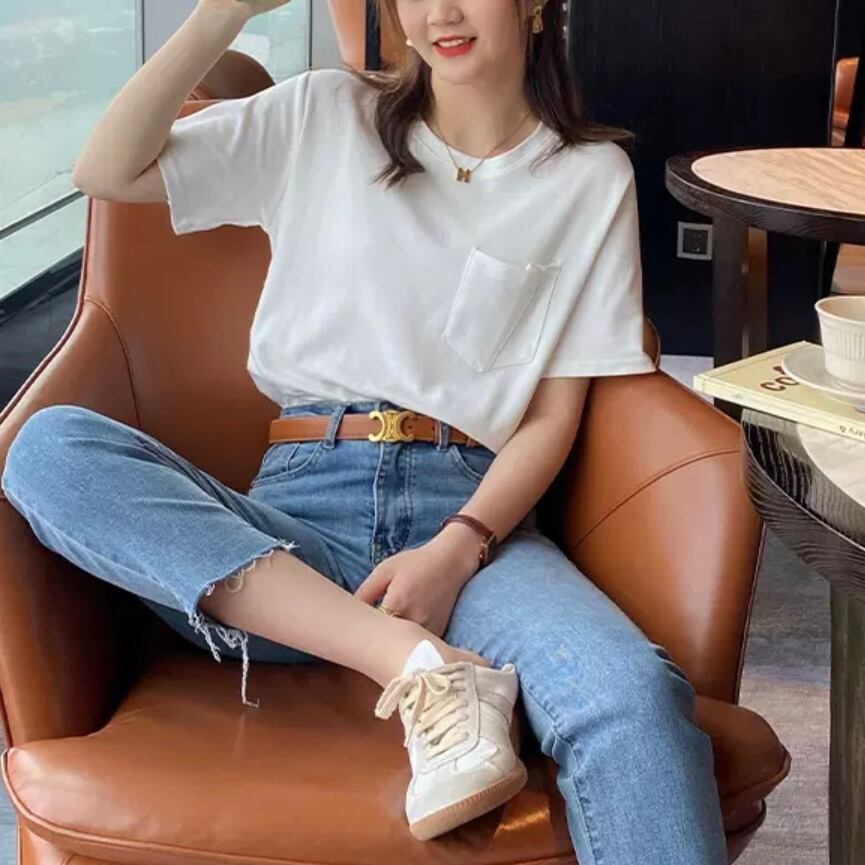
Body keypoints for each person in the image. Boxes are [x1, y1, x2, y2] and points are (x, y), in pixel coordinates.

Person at [1, 0, 729, 860]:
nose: (440, 12)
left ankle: (420, 657)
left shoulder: (587, 176)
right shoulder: (323, 114)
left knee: (632, 699)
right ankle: (414, 665)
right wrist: (222, 13)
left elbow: (549, 416)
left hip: (470, 529)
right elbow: (106, 169)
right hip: (284, 543)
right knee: (49, 449)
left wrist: (456, 548)